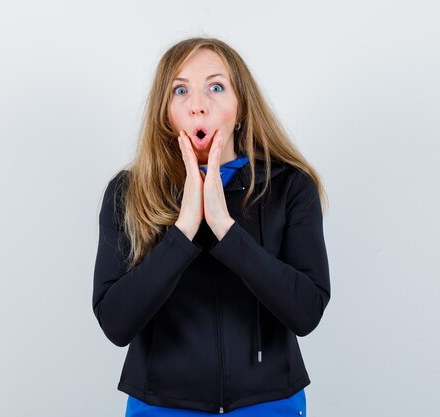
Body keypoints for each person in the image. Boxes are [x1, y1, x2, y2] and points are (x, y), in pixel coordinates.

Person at [92, 37, 331, 416]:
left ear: (241, 108)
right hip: (160, 405)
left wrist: (225, 228)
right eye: (180, 90)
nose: (198, 105)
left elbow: (306, 312)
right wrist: (184, 229)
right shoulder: (128, 192)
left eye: (216, 87)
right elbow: (116, 323)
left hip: (269, 403)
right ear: (165, 113)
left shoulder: (289, 186)